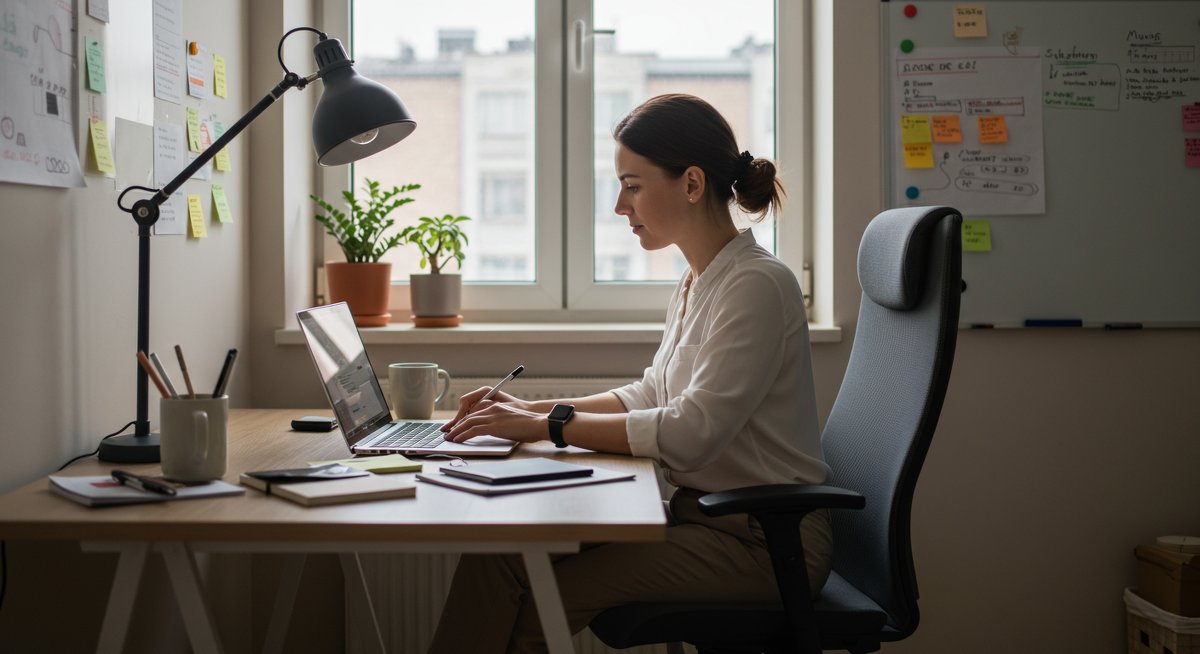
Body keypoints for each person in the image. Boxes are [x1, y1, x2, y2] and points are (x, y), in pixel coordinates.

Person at [428, 93, 832, 654]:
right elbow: (651, 393)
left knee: (540, 597)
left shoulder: (758, 285)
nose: (620, 206)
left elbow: (690, 432)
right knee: (500, 556)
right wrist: (530, 412)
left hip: (765, 543)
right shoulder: (699, 280)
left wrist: (549, 427)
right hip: (709, 521)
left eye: (633, 185)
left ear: (692, 183)